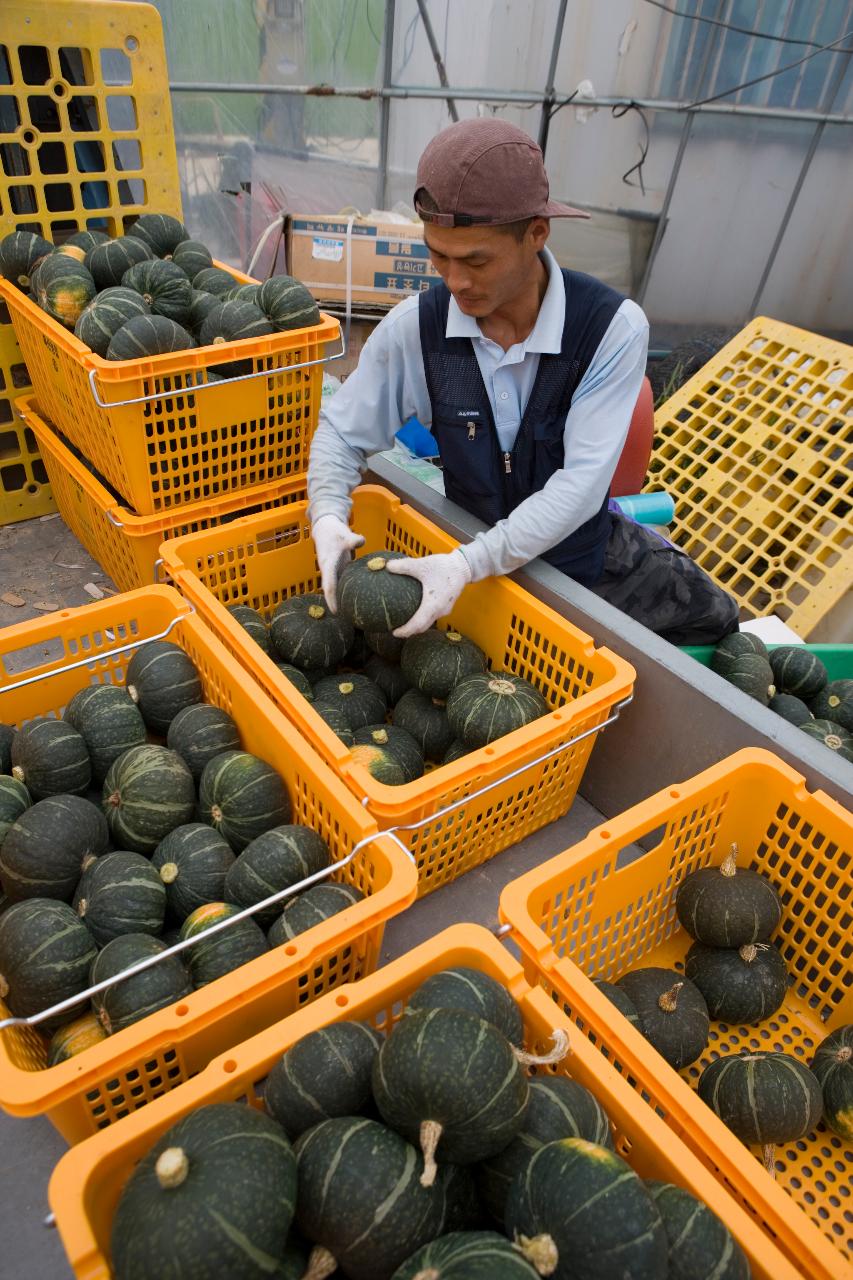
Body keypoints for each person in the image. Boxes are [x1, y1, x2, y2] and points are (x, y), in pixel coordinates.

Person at [307, 118, 739, 644]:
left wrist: (470, 563)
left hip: (578, 563)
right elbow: (343, 432)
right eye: (438, 255)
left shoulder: (610, 329)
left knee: (717, 617)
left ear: (536, 232)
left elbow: (580, 487)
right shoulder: (415, 329)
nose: (455, 280)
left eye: (476, 260)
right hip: (463, 558)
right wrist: (327, 512)